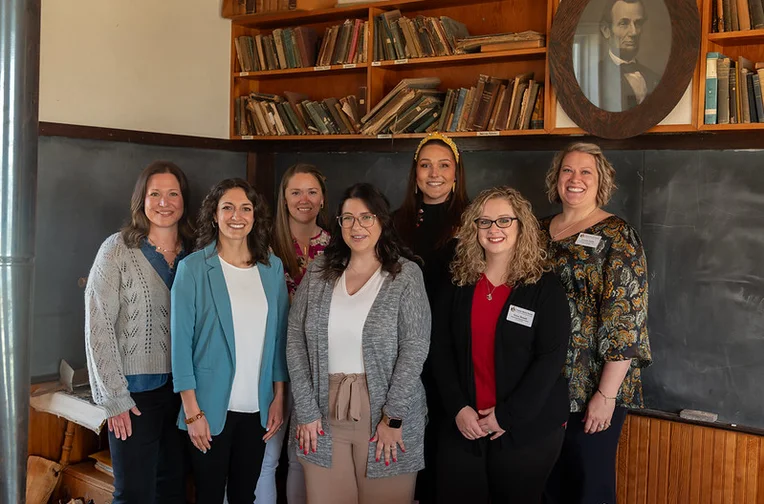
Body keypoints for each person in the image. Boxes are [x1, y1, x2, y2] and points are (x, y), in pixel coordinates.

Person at [287, 183, 431, 504]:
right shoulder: (320, 272)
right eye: (348, 218)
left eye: (366, 217)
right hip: (321, 411)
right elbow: (295, 338)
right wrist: (307, 410)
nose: (357, 227)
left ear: (382, 220)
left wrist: (393, 418)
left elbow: (415, 348)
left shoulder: (405, 275)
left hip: (384, 410)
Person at [431, 186, 571, 503]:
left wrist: (507, 417)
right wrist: (458, 408)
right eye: (485, 222)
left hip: (527, 429)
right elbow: (439, 349)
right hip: (463, 424)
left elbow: (550, 360)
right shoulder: (458, 281)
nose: (494, 230)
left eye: (504, 221)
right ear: (474, 228)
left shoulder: (544, 286)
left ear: (521, 226)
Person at [541, 143, 652, 504]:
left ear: (600, 180)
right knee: (545, 484)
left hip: (591, 386)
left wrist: (605, 396)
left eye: (585, 171)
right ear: (556, 179)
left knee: (588, 485)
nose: (575, 179)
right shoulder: (536, 232)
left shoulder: (617, 236)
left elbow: (626, 320)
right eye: (567, 171)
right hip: (539, 384)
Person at [171, 178, 289, 504]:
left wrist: (279, 396)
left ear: (255, 217)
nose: (237, 216)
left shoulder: (272, 268)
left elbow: (279, 337)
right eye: (228, 207)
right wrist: (192, 412)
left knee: (244, 495)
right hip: (209, 410)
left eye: (245, 208)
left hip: (259, 408)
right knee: (208, 495)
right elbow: (181, 346)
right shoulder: (193, 268)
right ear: (214, 215)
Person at [84, 160, 193, 504]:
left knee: (173, 488)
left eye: (173, 194)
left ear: (184, 200)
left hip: (185, 393)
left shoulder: (197, 253)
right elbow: (97, 325)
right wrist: (113, 396)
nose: (164, 202)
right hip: (134, 396)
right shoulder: (117, 249)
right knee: (133, 494)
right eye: (155, 194)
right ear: (141, 201)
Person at [393, 131, 469, 503]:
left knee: (446, 443)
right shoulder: (393, 223)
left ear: (457, 173)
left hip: (455, 350)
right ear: (415, 172)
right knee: (407, 438)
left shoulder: (475, 222)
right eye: (425, 165)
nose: (434, 173)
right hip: (404, 351)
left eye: (443, 165)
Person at [258, 163, 330, 504]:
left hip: (317, 365)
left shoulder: (337, 246)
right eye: (296, 192)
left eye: (312, 191)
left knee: (307, 454)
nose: (305, 200)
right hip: (269, 363)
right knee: (267, 458)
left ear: (323, 199)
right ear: (283, 199)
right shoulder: (263, 245)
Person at [596, 0, 661, 111]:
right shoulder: (594, 77)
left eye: (638, 23)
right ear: (606, 30)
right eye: (624, 23)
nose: (634, 32)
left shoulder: (655, 78)